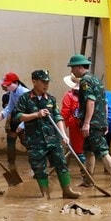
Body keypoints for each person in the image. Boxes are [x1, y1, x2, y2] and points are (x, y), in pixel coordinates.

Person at [11, 69, 81, 200]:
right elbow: (18, 116)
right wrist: (36, 115)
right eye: (43, 82)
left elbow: (58, 117)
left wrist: (63, 135)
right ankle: (45, 193)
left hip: (53, 139)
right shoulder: (25, 99)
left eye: (47, 82)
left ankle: (67, 190)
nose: (46, 85)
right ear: (34, 81)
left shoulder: (51, 99)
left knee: (61, 163)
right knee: (39, 167)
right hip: (35, 141)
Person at [68, 53, 111, 190]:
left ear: (80, 67)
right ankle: (88, 180)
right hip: (98, 122)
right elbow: (104, 102)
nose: (72, 71)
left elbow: (90, 102)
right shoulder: (96, 80)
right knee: (89, 151)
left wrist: (86, 123)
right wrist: (104, 122)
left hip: (92, 124)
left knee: (102, 151)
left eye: (73, 68)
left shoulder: (85, 81)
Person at [0, 71, 29, 168]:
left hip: (28, 120)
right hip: (16, 118)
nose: (7, 87)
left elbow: (30, 112)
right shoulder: (12, 93)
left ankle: (37, 167)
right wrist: (2, 114)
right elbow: (10, 107)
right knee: (10, 140)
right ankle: (11, 165)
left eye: (9, 85)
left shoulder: (25, 93)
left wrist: (22, 125)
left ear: (16, 83)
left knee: (28, 143)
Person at [61, 74, 86, 164]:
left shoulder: (69, 96)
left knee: (78, 150)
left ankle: (84, 174)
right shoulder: (88, 95)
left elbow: (64, 113)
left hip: (75, 126)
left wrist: (63, 129)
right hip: (88, 124)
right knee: (90, 151)